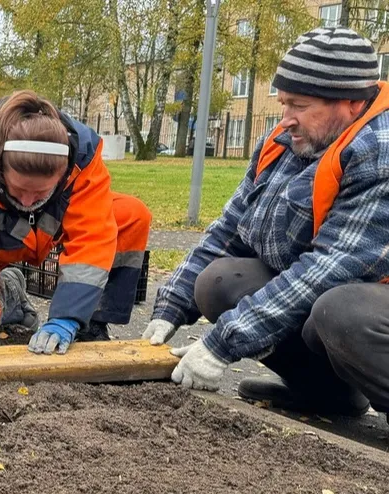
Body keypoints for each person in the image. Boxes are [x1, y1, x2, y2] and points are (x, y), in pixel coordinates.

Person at [143, 26, 389, 417]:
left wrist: (223, 343)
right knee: (218, 281)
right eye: (284, 103)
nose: (286, 118)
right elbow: (229, 230)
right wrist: (171, 304)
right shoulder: (289, 139)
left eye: (300, 105)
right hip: (341, 291)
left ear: (352, 104)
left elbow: (329, 269)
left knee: (340, 312)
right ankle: (329, 395)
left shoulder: (379, 151)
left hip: (366, 303)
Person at [0, 90, 152, 353]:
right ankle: (10, 294)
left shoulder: (83, 161)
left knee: (131, 215)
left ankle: (91, 325)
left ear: (63, 171)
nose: (28, 200)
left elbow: (93, 238)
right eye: (19, 190)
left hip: (50, 232)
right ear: (0, 166)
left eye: (41, 192)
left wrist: (69, 316)